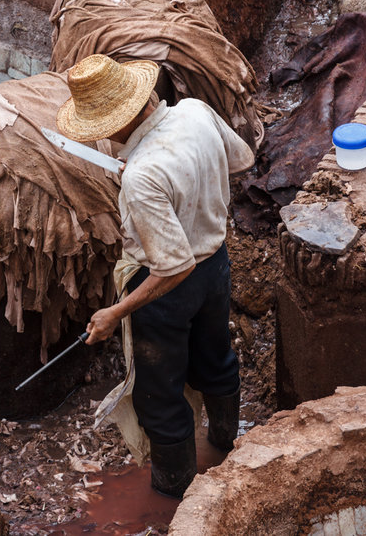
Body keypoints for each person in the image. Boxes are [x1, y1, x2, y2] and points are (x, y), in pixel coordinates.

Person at [55, 54, 254, 498]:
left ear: (118, 122)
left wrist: (115, 312)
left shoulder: (142, 176)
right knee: (216, 360)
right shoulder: (195, 111)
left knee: (160, 397)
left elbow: (175, 266)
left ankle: (174, 500)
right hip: (216, 265)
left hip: (165, 290)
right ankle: (229, 448)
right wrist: (181, 182)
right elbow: (241, 160)